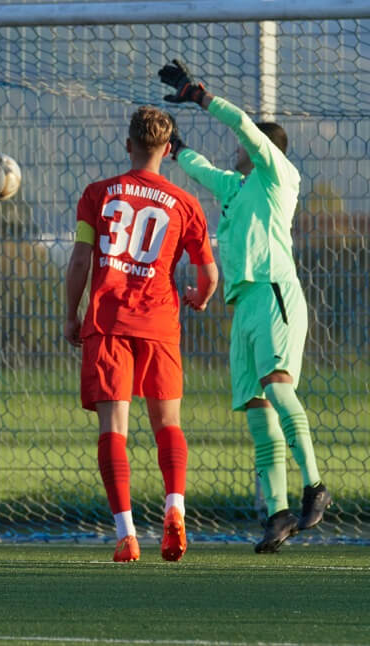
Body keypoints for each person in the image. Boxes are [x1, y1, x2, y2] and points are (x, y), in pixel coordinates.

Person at [159, 59, 333, 553]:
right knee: (258, 414)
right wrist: (174, 146)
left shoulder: (280, 177)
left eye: (247, 143)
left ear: (264, 148)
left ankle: (315, 485)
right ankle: (278, 514)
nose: (236, 148)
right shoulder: (237, 189)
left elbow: (244, 129)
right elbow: (201, 170)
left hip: (276, 292)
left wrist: (200, 96)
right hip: (244, 308)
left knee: (279, 392)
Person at [64, 106, 219, 562]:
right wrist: (199, 296)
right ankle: (175, 509)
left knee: (114, 430)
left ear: (128, 144)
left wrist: (70, 315)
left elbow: (79, 261)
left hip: (109, 323)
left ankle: (126, 534)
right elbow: (208, 274)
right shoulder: (186, 204)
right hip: (159, 325)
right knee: (167, 424)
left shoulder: (97, 194)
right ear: (169, 151)